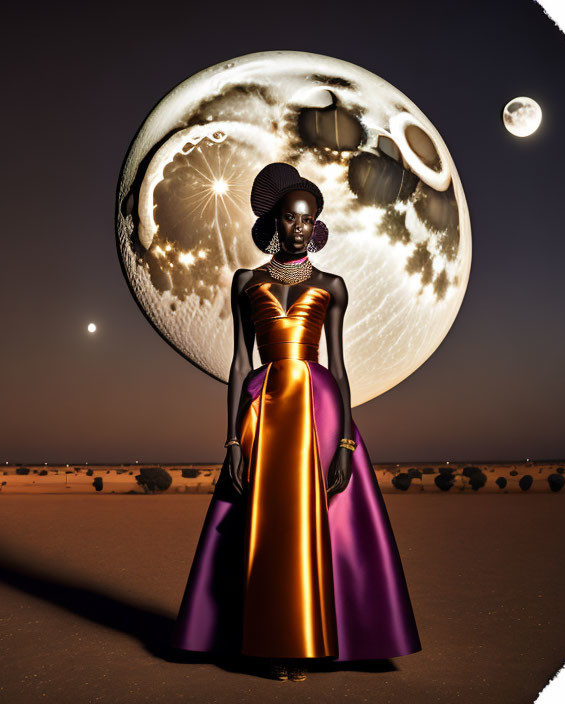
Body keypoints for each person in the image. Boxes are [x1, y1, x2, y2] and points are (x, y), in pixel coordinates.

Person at [171, 162, 421, 681]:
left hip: (320, 407)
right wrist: (231, 443)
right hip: (263, 407)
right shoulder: (246, 282)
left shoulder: (332, 285)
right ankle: (268, 643)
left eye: (308, 219)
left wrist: (347, 445)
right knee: (266, 528)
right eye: (290, 218)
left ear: (316, 225)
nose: (299, 227)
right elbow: (239, 364)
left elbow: (340, 367)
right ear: (274, 222)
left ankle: (312, 639)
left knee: (320, 525)